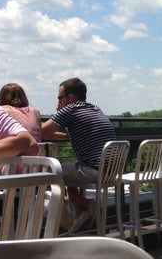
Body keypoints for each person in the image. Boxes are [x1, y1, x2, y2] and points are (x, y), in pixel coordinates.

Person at [41, 77, 116, 231]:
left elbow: (41, 132)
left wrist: (59, 112)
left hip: (92, 169)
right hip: (111, 170)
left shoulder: (71, 109)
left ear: (71, 97)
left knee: (50, 172)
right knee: (66, 171)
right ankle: (81, 212)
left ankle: (83, 208)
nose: (59, 101)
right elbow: (71, 135)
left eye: (60, 97)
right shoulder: (95, 108)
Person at [0, 85, 39, 177]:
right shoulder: (35, 112)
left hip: (10, 173)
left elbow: (28, 143)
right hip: (36, 169)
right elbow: (43, 132)